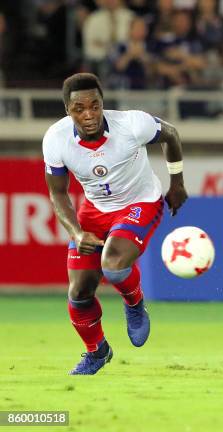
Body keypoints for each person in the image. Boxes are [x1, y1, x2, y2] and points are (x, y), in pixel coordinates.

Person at [43, 73, 188, 375]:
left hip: (140, 202)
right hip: (95, 211)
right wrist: (76, 232)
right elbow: (58, 194)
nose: (89, 115)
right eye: (79, 109)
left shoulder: (132, 124)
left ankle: (134, 304)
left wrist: (176, 183)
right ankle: (97, 352)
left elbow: (171, 134)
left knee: (114, 265)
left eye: (95, 106)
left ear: (103, 103)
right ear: (68, 111)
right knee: (78, 292)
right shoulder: (56, 140)